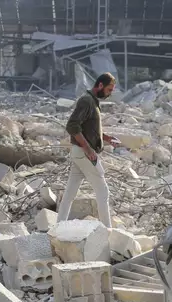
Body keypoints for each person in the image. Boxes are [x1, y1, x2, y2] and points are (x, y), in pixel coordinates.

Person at [56, 72, 121, 228]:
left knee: (70, 194)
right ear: (100, 85)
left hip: (79, 154)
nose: (110, 93)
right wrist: (88, 149)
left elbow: (88, 128)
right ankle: (107, 231)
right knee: (103, 192)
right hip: (84, 153)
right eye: (109, 89)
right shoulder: (86, 101)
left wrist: (107, 138)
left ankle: (58, 227)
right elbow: (72, 126)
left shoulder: (92, 101)